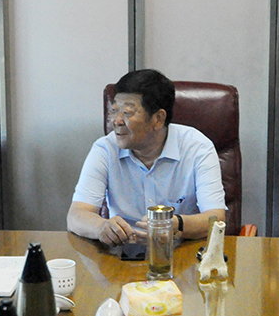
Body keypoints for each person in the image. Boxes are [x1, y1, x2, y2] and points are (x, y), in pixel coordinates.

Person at [67, 69, 227, 246]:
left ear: (158, 118)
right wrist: (101, 227)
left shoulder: (197, 148)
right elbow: (76, 215)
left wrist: (176, 225)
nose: (116, 121)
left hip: (182, 251)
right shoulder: (105, 149)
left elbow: (216, 218)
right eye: (114, 110)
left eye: (127, 113)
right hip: (121, 253)